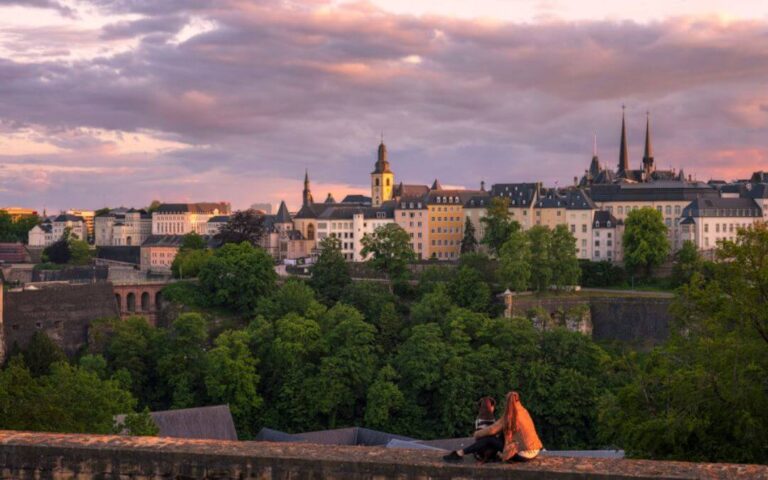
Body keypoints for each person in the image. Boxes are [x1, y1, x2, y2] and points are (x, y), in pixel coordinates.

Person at [443, 391, 543, 463]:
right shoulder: (524, 412)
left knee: (488, 439)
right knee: (502, 435)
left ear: (507, 403)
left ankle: (460, 453)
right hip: (535, 452)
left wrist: (476, 434)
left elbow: (491, 430)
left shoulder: (509, 416)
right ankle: (489, 455)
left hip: (522, 455)